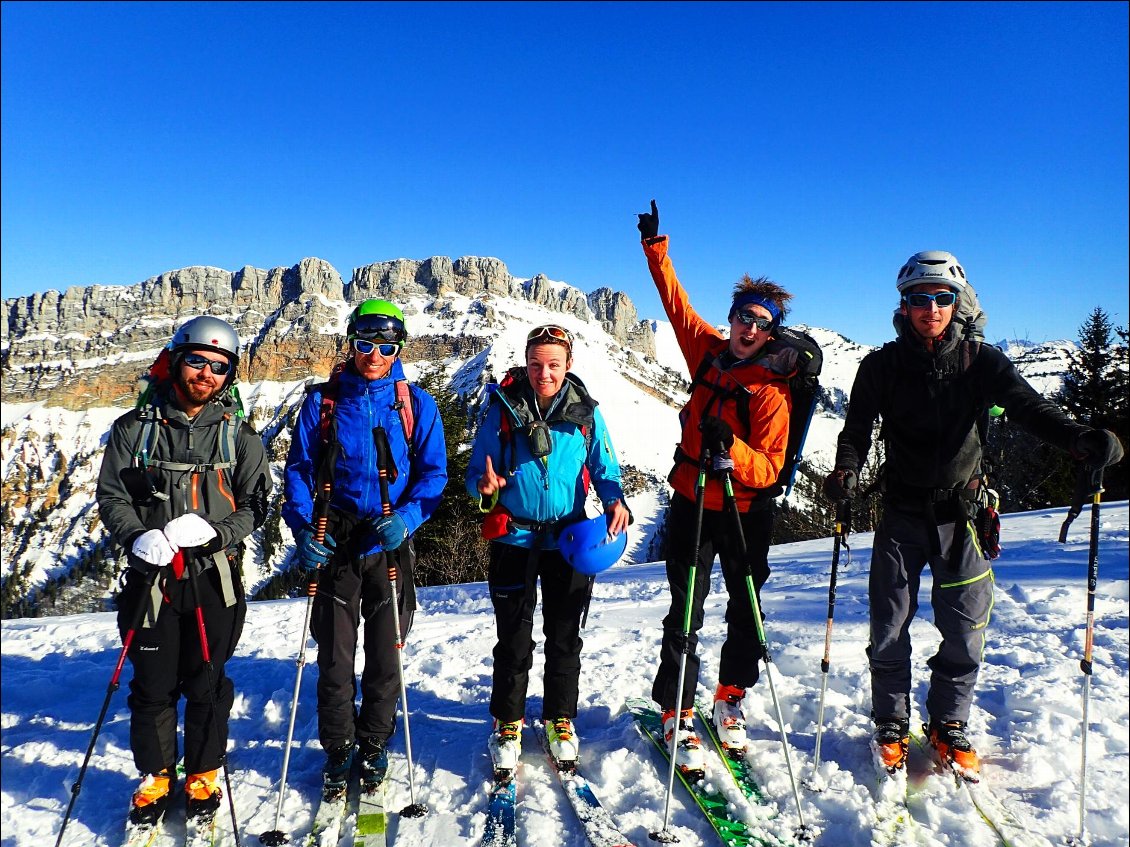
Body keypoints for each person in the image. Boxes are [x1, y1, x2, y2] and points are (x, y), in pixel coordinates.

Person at [824, 250, 1125, 777]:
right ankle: (891, 722)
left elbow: (1030, 408)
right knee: (889, 626)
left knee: (965, 629)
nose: (931, 309)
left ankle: (948, 723)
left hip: (963, 515)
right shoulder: (881, 367)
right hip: (900, 514)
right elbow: (855, 431)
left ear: (959, 304)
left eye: (943, 298)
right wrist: (846, 469)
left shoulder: (981, 362)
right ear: (905, 306)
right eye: (920, 299)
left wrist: (1079, 439)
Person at [636, 200, 797, 772]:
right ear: (731, 319)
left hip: (744, 511)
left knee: (745, 609)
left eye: (761, 323)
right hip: (690, 501)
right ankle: (676, 708)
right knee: (685, 608)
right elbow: (675, 305)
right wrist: (656, 249)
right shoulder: (706, 349)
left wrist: (733, 449)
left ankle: (731, 697)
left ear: (770, 332)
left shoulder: (772, 390)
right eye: (743, 318)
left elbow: (772, 467)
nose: (749, 330)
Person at [96, 315, 271, 828]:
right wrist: (136, 535)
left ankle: (203, 770)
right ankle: (156, 774)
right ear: (176, 361)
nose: (206, 374)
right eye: (197, 361)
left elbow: (257, 505)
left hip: (214, 578)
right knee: (152, 683)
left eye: (219, 367)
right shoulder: (134, 430)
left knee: (207, 680)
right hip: (152, 582)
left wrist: (219, 534)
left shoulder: (240, 438)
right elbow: (112, 497)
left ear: (229, 377)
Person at [282, 299, 448, 799]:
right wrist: (305, 529)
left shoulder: (415, 404)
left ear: (399, 348)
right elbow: (298, 471)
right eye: (365, 344)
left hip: (388, 534)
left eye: (387, 345)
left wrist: (409, 519)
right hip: (335, 533)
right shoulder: (322, 402)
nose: (375, 354)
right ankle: (339, 749)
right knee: (333, 658)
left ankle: (374, 743)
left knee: (384, 654)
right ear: (350, 343)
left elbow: (433, 475)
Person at [466, 324, 630, 775]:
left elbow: (604, 466)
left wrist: (615, 499)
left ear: (568, 366)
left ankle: (561, 719)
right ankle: (508, 721)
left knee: (564, 635)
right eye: (536, 364)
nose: (544, 374)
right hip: (514, 540)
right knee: (514, 638)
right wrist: (486, 488)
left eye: (553, 365)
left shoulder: (585, 415)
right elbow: (475, 475)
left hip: (569, 541)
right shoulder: (501, 412)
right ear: (525, 362)